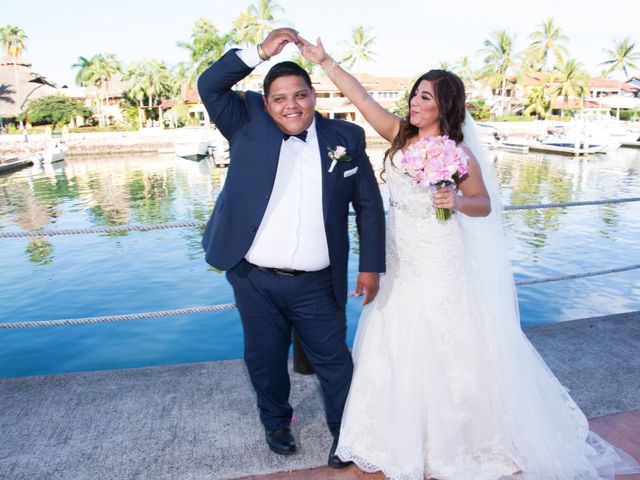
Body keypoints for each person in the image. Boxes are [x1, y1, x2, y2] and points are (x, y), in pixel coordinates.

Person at [297, 37, 640, 479]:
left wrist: (456, 198)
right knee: (394, 333)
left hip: (441, 257)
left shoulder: (458, 153)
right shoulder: (399, 135)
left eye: (425, 97)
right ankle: (394, 432)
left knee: (446, 337)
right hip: (402, 257)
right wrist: (324, 61)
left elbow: (483, 204)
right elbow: (360, 96)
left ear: (444, 107)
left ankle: (461, 437)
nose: (415, 102)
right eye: (415, 93)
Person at [197, 28, 385, 469]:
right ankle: (276, 422)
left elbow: (369, 207)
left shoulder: (346, 138)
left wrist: (370, 266)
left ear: (313, 96)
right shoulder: (245, 122)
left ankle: (346, 435)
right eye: (279, 98)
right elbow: (209, 84)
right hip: (254, 277)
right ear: (266, 104)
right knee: (263, 359)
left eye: (299, 95)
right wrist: (260, 52)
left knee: (334, 362)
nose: (291, 105)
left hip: (318, 282)